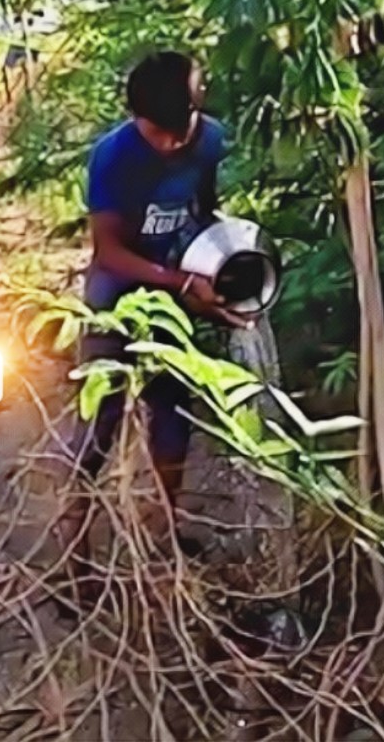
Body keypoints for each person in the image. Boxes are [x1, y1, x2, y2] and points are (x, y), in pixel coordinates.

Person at [56, 50, 247, 599]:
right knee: (99, 423)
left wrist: (218, 268)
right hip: (116, 295)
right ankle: (75, 552)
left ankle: (165, 526)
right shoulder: (113, 158)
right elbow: (108, 251)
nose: (169, 144)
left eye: (177, 129)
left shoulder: (210, 141)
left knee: (172, 412)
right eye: (156, 133)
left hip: (174, 291)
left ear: (196, 109)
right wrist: (179, 282)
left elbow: (205, 213)